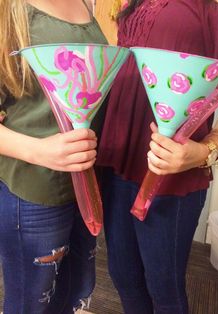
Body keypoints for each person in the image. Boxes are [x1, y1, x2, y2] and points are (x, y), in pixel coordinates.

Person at [96, 0, 218, 313]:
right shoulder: (132, 7)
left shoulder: (211, 14)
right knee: (124, 277)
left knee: (164, 287)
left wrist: (207, 149)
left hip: (172, 178)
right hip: (117, 166)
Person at [0, 0, 107, 313]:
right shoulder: (10, 10)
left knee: (77, 291)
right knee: (31, 303)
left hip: (85, 186)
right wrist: (42, 151)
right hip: (34, 194)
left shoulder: (87, 3)